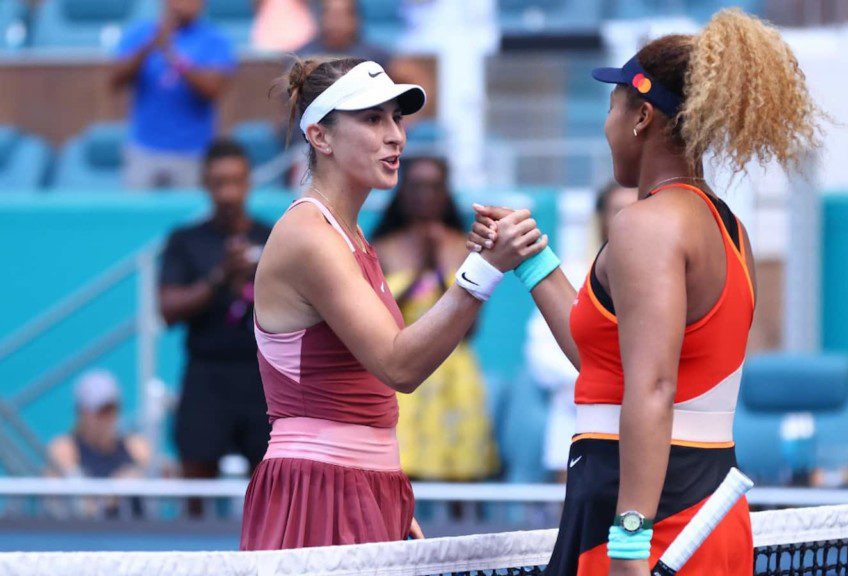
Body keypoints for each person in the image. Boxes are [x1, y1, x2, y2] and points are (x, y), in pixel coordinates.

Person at [470, 10, 820, 575]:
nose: (605, 125)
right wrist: (534, 259)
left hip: (650, 526)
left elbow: (652, 388)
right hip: (706, 515)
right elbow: (607, 362)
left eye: (610, 108)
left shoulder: (646, 224)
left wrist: (630, 544)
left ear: (641, 116)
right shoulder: (729, 229)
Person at [239, 56, 545, 550]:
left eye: (397, 119)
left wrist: (383, 494)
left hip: (366, 485)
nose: (396, 135)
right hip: (316, 486)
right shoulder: (307, 236)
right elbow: (399, 366)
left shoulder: (353, 236)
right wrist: (485, 269)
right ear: (320, 137)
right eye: (372, 119)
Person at [159, 140, 272, 504]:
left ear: (248, 182)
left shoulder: (273, 237)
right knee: (196, 495)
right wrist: (219, 277)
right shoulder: (185, 241)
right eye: (219, 182)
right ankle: (193, 561)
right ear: (205, 185)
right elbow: (167, 309)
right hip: (205, 376)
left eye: (235, 181)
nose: (227, 193)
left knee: (271, 490)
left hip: (263, 376)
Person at [372, 157, 497, 481]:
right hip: (403, 368)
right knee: (399, 467)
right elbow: (375, 318)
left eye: (433, 186)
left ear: (445, 192)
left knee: (460, 473)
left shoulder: (466, 247)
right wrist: (419, 275)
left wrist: (441, 275)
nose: (424, 195)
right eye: (416, 186)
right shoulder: (382, 248)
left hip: (454, 373)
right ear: (402, 192)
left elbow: (472, 328)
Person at [526, 182, 636, 482]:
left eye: (633, 209)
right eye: (617, 210)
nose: (625, 219)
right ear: (600, 218)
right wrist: (607, 381)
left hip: (641, 423)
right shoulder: (569, 275)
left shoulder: (661, 278)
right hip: (574, 417)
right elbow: (541, 356)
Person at [111, 0, 236, 190]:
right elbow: (115, 81)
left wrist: (172, 55)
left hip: (193, 153)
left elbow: (213, 90)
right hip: (144, 150)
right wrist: (148, 47)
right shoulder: (139, 33)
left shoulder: (215, 39)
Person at [47, 370, 151, 517]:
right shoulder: (65, 449)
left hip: (136, 536)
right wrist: (114, 491)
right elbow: (80, 508)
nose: (109, 417)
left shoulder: (136, 447)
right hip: (85, 538)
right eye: (102, 410)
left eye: (113, 409)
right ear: (82, 412)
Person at [298, 0, 392, 67]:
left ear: (356, 18)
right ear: (321, 17)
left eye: (342, 15)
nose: (336, 22)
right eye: (332, 15)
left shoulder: (378, 58)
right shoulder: (303, 58)